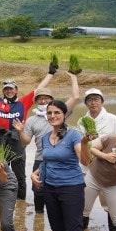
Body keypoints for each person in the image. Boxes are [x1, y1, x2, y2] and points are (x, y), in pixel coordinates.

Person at [0, 61, 56, 200]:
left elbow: (39, 89)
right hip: (1, 141)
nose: (9, 91)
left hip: (18, 141)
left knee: (20, 175)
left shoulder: (23, 102)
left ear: (16, 89)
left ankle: (21, 203)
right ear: (3, 91)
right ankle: (2, 198)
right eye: (6, 89)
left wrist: (50, 74)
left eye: (11, 88)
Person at [30, 100, 91, 231]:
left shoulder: (74, 135)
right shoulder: (45, 138)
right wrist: (35, 173)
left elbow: (85, 161)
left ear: (65, 115)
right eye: (49, 113)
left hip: (72, 187)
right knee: (57, 227)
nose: (52, 116)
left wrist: (85, 143)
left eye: (57, 112)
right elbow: (47, 162)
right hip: (50, 188)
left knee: (74, 230)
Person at [12, 71, 80, 213]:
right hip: (40, 160)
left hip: (60, 159)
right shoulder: (31, 120)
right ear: (36, 102)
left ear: (52, 100)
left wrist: (73, 77)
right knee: (38, 192)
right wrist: (20, 131)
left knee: (59, 191)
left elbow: (75, 97)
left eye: (46, 99)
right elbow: (25, 142)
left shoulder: (59, 113)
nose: (43, 101)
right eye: (40, 99)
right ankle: (39, 218)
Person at [76, 88, 116, 231]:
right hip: (87, 167)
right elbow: (79, 143)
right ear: (85, 103)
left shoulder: (112, 118)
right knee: (84, 203)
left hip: (107, 167)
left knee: (109, 202)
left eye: (96, 99)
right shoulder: (81, 121)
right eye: (89, 100)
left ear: (102, 101)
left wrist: (115, 160)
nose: (93, 102)